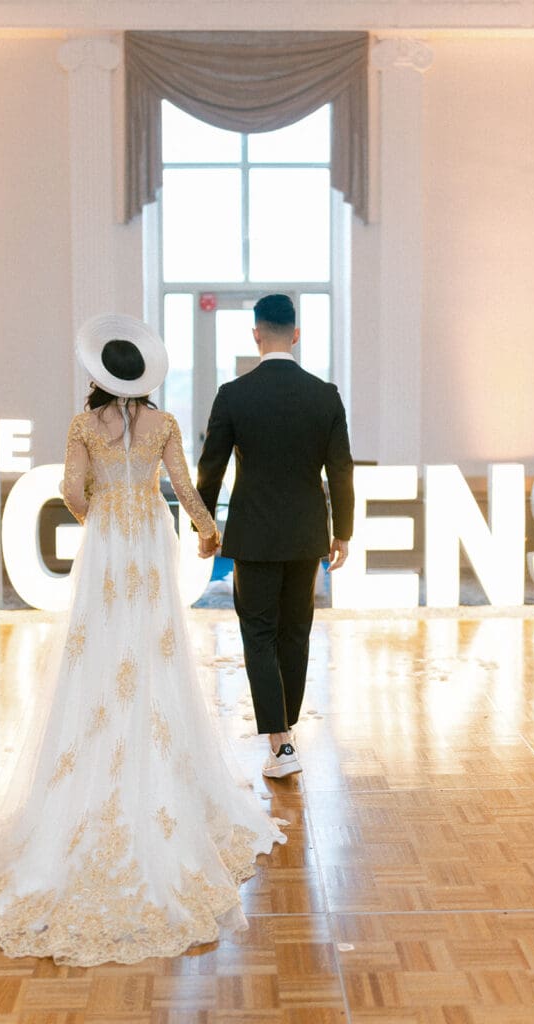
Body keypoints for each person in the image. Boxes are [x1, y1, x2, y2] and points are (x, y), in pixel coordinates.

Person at [0, 313, 287, 966]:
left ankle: (93, 755)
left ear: (100, 374)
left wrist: (99, 510)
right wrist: (208, 530)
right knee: (153, 645)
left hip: (108, 540)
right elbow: (183, 487)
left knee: (99, 643)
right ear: (143, 376)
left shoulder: (82, 425)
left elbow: (72, 491)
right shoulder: (163, 423)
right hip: (150, 537)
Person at [196, 294, 354, 780]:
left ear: (256, 335)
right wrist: (343, 532)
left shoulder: (233, 394)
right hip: (307, 535)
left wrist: (205, 528)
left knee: (259, 634)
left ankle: (280, 742)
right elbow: (341, 470)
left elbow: (210, 469)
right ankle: (286, 730)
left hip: (254, 536)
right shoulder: (325, 395)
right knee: (296, 632)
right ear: (297, 335)